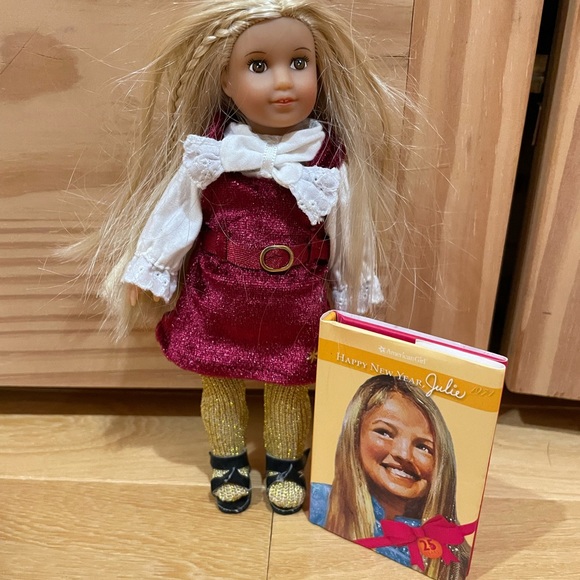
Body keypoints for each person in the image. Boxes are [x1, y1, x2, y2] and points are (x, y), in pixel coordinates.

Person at [64, 0, 408, 516]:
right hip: (219, 294)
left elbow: (351, 236)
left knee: (288, 385)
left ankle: (285, 464)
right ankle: (227, 461)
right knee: (219, 380)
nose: (283, 81)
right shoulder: (212, 153)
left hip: (296, 301)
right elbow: (176, 213)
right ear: (226, 80)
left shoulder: (327, 160)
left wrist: (353, 296)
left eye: (299, 63)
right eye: (258, 65)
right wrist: (150, 268)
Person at [310, 375, 471, 579]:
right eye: (385, 433)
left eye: (423, 447)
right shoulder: (319, 504)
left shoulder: (457, 559)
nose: (403, 454)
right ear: (355, 434)